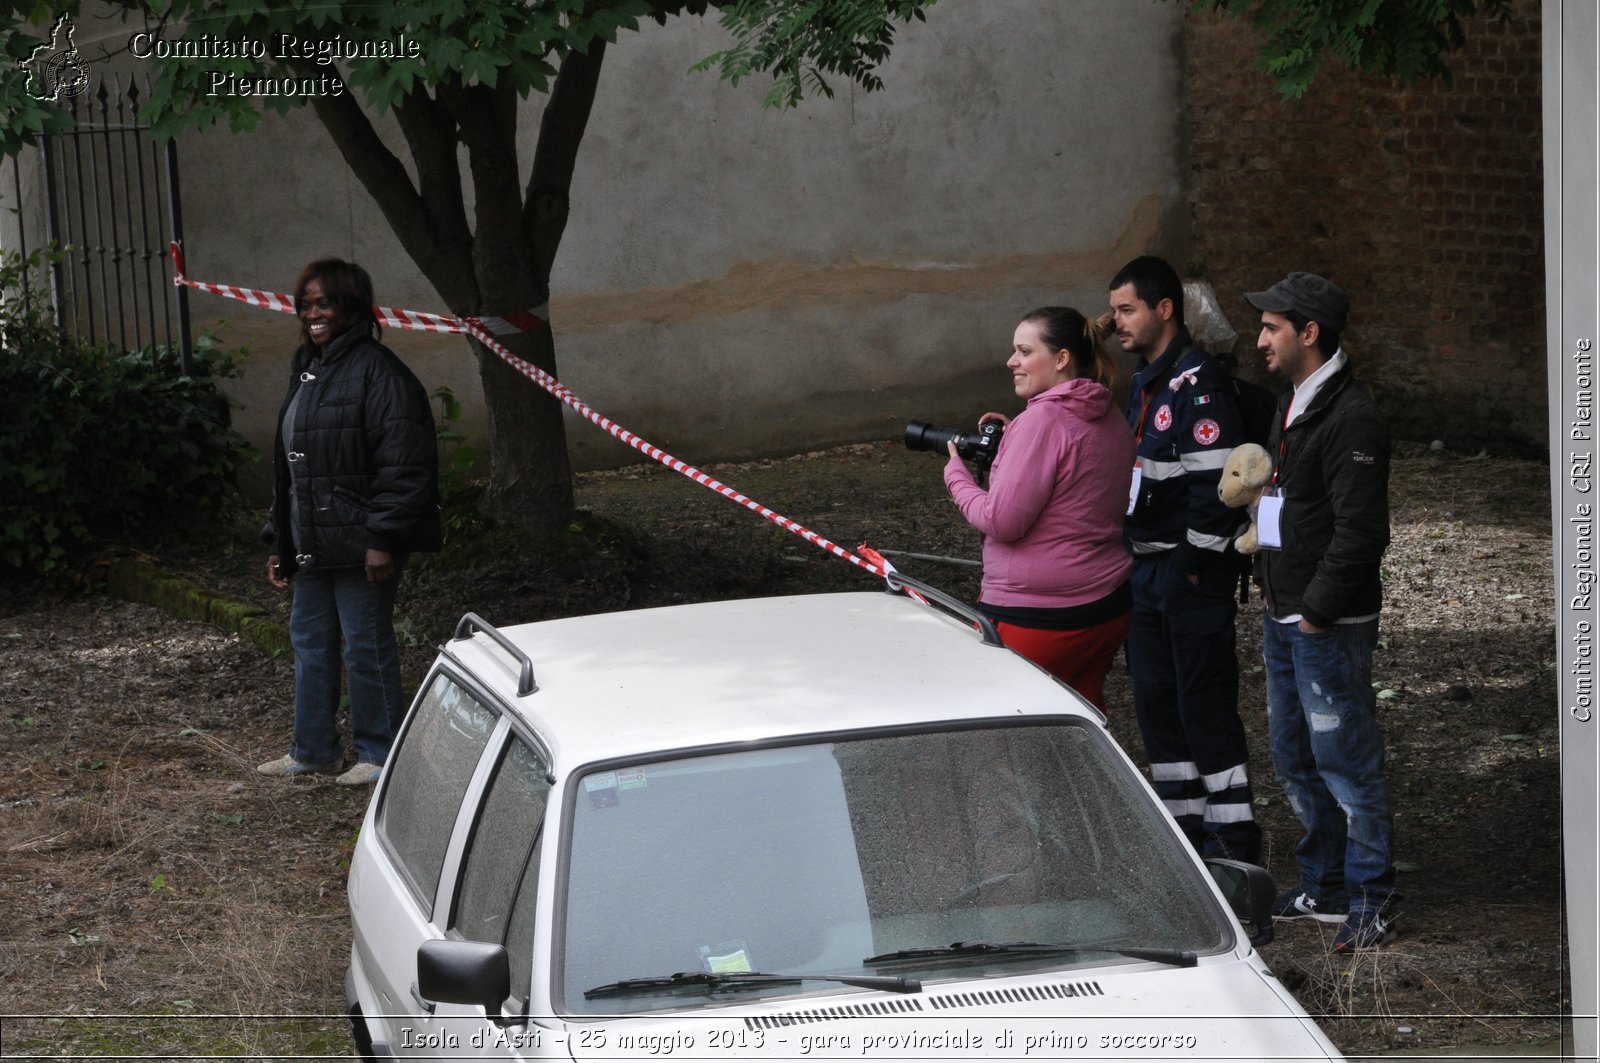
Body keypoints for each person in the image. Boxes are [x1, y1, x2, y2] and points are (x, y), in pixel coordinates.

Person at [1244, 271, 1397, 952]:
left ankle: (1373, 896)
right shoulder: (1291, 404)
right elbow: (1283, 501)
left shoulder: (1352, 416)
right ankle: (1326, 883)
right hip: (1286, 614)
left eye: (1272, 327)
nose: (1260, 339)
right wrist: (1265, 571)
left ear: (1309, 333)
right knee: (1295, 757)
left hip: (1324, 625)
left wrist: (1314, 614)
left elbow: (1361, 534)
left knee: (1346, 759)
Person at [257, 258, 441, 786]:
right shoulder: (307, 371)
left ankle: (380, 754)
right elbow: (291, 467)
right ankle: (313, 750)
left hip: (364, 543)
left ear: (352, 308)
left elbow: (405, 464)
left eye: (324, 303)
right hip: (313, 540)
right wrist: (280, 541)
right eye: (305, 304)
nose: (312, 313)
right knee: (310, 644)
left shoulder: (380, 373)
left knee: (366, 644)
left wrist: (383, 537)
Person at [1111, 255, 1262, 863]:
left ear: (1163, 309)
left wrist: (1191, 568)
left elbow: (1214, 491)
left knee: (1203, 709)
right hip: (1147, 572)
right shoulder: (1148, 381)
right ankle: (1186, 845)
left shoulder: (1198, 382)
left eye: (1128, 310)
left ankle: (1234, 848)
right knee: (1157, 708)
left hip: (1186, 574)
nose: (1117, 322)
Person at [943, 307, 1135, 710]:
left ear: (1061, 359)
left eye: (1024, 351)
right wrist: (1017, 436)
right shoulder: (1109, 413)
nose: (1011, 361)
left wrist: (957, 477)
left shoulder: (1043, 422)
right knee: (1078, 723)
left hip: (1038, 616)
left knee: (1010, 736)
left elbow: (1001, 520)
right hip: (1106, 607)